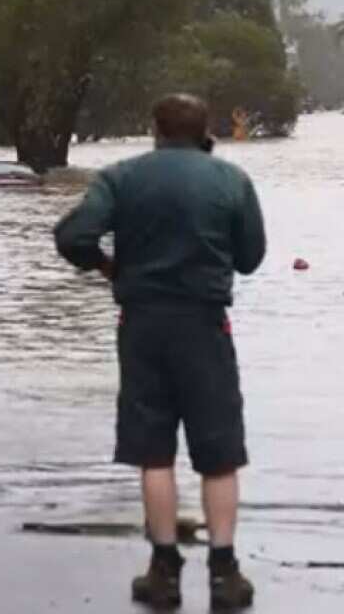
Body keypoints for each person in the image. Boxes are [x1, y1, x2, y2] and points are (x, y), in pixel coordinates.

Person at [53, 93, 266, 610]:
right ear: (204, 130)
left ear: (156, 129)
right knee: (218, 455)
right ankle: (224, 572)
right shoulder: (231, 181)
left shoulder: (120, 177)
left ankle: (163, 569)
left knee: (154, 451)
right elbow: (251, 257)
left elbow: (74, 235)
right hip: (205, 327)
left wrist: (106, 267)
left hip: (142, 326)